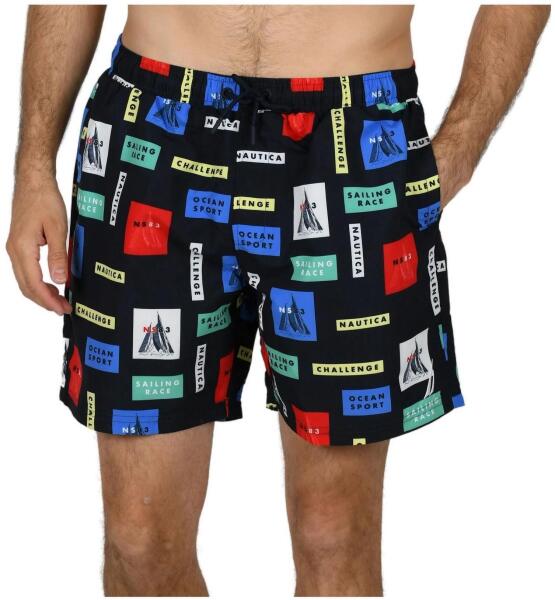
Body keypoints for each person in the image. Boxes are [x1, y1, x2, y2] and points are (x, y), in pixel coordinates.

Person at [6, 5, 550, 597]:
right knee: (140, 540)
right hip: (157, 125)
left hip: (350, 138)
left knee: (332, 533)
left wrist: (457, 152)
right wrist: (33, 166)